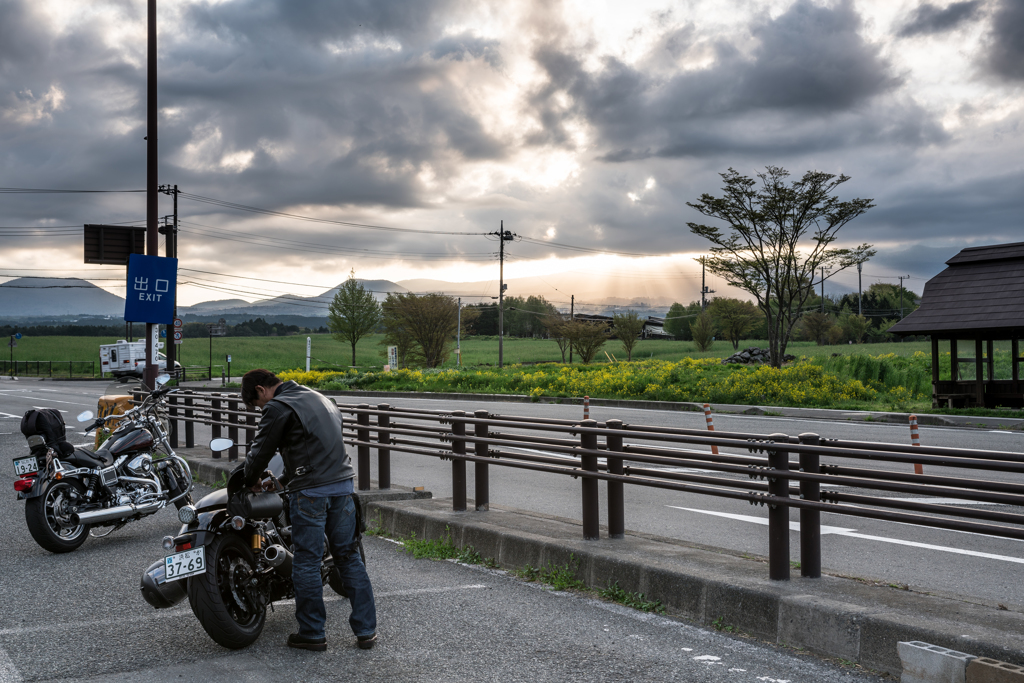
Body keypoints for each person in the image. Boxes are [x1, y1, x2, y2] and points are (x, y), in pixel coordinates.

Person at [241, 368, 376, 651]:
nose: (261, 409)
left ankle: (313, 633)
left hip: (312, 493)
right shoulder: (320, 398)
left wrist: (250, 480)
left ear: (259, 390)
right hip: (343, 487)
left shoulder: (278, 406)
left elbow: (261, 450)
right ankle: (366, 631)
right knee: (349, 557)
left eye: (258, 405)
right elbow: (317, 447)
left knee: (306, 561)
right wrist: (283, 480)